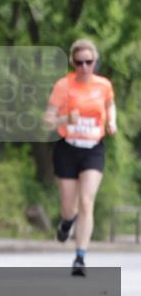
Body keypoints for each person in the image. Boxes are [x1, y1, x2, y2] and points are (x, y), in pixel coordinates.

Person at [44, 38, 117, 277]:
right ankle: (66, 223)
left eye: (89, 62)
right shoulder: (63, 85)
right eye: (79, 62)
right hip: (67, 148)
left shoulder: (103, 85)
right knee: (69, 207)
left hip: (93, 149)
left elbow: (110, 105)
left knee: (87, 201)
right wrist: (66, 120)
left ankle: (80, 257)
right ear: (72, 62)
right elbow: (48, 120)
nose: (84, 67)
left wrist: (112, 121)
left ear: (95, 61)